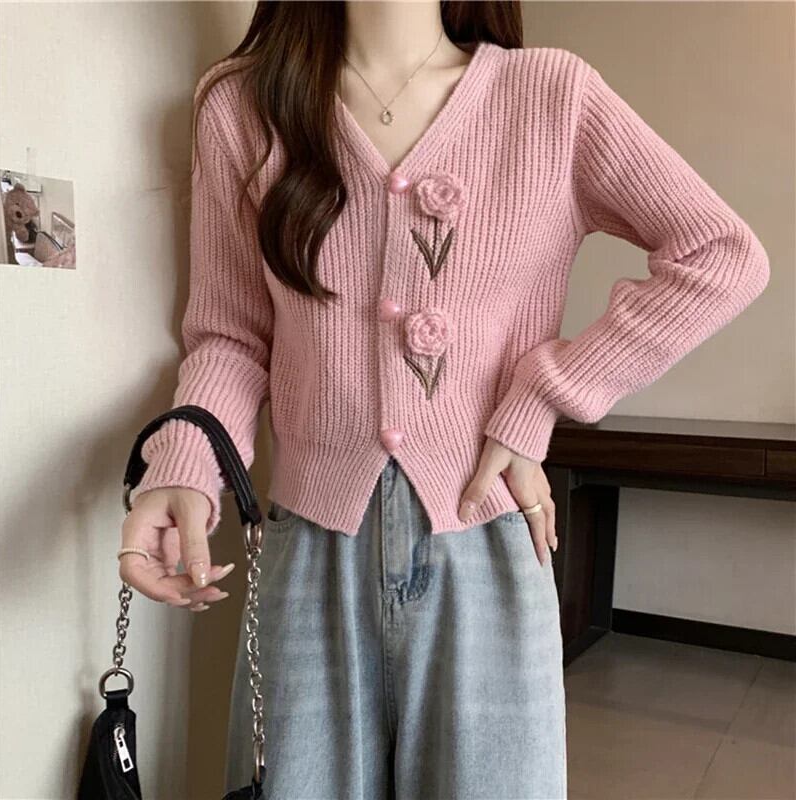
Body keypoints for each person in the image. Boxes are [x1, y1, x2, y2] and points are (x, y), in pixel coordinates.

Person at [117, 2, 770, 798]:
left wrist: (541, 398)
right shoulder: (244, 108)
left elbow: (721, 256)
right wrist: (185, 465)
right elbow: (231, 334)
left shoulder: (549, 96)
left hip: (485, 539)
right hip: (310, 554)